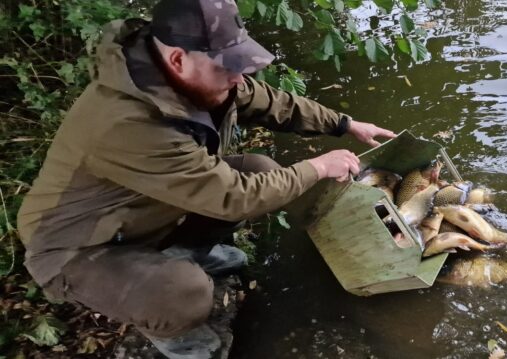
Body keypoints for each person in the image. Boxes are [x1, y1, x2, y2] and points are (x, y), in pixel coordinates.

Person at [15, 0, 396, 357]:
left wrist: (345, 124)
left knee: (260, 170)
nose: (239, 76)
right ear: (178, 59)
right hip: (76, 245)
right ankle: (175, 337)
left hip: (140, 207)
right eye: (228, 67)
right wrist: (317, 167)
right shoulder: (127, 124)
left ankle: (186, 253)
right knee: (186, 293)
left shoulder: (195, 74)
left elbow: (269, 101)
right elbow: (236, 198)